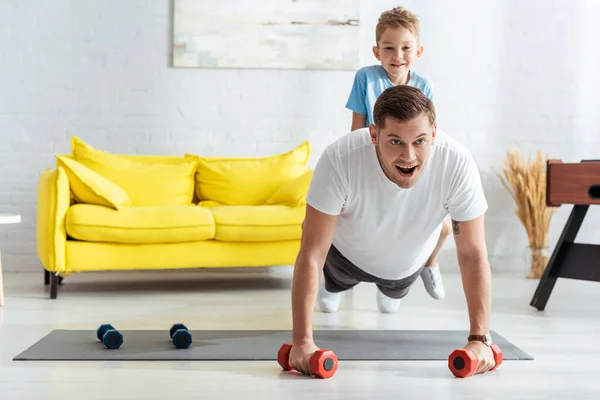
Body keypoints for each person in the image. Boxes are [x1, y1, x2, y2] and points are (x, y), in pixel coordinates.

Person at [289, 85, 496, 376]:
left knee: (393, 295)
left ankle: (400, 281)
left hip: (402, 267)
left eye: (420, 141)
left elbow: (473, 253)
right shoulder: (340, 158)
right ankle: (331, 289)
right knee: (317, 243)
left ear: (434, 133)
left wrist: (479, 339)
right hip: (343, 258)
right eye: (396, 141)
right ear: (374, 134)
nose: (409, 156)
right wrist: (302, 342)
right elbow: (312, 252)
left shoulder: (457, 163)